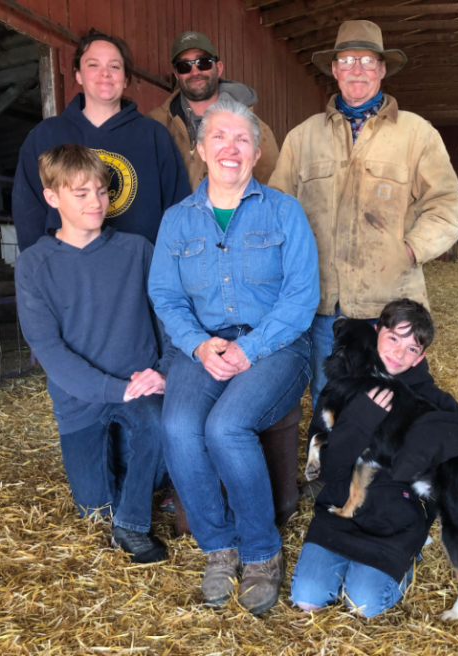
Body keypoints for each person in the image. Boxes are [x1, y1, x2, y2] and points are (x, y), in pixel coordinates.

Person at [148, 98, 319, 615]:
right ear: (200, 149)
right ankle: (219, 548)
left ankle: (262, 551)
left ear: (257, 151)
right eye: (218, 137)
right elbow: (165, 295)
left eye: (241, 139)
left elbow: (301, 297)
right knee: (177, 426)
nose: (230, 147)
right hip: (201, 345)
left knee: (225, 426)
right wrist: (199, 344)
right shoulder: (177, 221)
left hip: (276, 345)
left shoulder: (284, 211)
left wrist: (249, 348)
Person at [269, 20, 458, 406]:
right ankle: (330, 467)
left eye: (366, 60)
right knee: (329, 400)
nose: (356, 68)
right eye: (347, 59)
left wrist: (410, 249)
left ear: (381, 69)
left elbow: (446, 203)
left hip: (390, 306)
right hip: (321, 305)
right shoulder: (302, 137)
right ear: (335, 70)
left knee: (392, 404)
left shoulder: (416, 133)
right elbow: (277, 209)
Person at [290, 299, 458, 617]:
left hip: (395, 523)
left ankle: (408, 555)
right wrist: (359, 421)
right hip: (341, 511)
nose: (399, 354)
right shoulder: (343, 385)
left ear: (422, 355)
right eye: (393, 339)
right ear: (377, 332)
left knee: (365, 604)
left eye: (412, 348)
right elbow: (326, 470)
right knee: (307, 598)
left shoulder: (433, 400)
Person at [15, 144, 174, 563]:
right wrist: (113, 390)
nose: (96, 202)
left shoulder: (137, 250)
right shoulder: (34, 265)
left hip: (140, 388)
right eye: (81, 193)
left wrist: (163, 371)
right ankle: (125, 500)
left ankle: (132, 525)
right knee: (94, 507)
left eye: (101, 191)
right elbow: (49, 349)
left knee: (158, 424)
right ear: (53, 198)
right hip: (81, 399)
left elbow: (169, 318)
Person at [13, 29, 190, 252]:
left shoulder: (154, 135)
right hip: (68, 276)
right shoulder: (46, 135)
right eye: (93, 65)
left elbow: (179, 208)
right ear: (78, 74)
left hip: (142, 277)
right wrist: (41, 267)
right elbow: (28, 210)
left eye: (114, 66)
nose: (105, 73)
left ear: (126, 79)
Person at [147, 31, 280, 190]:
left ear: (218, 68)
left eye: (203, 63)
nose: (195, 72)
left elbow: (272, 191)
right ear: (176, 75)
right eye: (184, 66)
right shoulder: (154, 125)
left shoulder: (256, 129)